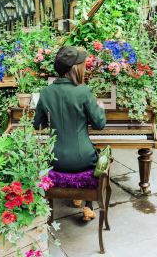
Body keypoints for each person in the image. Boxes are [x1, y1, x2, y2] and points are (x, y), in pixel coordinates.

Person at [33, 46, 106, 221]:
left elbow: (38, 124)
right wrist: (101, 109)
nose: (84, 66)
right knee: (97, 157)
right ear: (75, 68)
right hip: (83, 159)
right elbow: (99, 124)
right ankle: (88, 205)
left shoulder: (46, 92)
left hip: (55, 159)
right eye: (82, 64)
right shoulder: (84, 91)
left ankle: (79, 201)